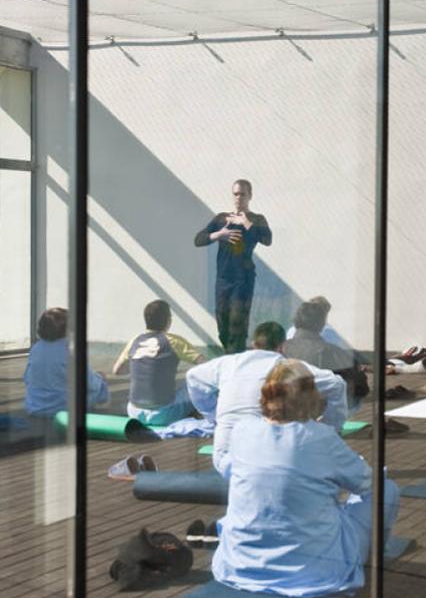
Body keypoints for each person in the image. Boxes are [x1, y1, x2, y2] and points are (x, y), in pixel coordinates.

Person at [212, 359, 399, 597]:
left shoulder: (242, 430)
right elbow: (368, 484)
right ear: (310, 396)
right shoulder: (320, 437)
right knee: (387, 490)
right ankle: (372, 554)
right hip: (315, 571)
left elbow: (230, 471)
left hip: (239, 566)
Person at [186, 321, 347, 476]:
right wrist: (330, 427)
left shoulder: (229, 362)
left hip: (225, 460)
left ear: (254, 343)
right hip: (269, 461)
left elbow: (192, 376)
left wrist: (212, 415)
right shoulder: (285, 368)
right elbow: (336, 384)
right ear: (281, 346)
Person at [195, 179, 273, 354]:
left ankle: (234, 359)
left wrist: (246, 222)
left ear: (250, 196)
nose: (238, 198)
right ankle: (231, 354)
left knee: (237, 324)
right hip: (223, 279)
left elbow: (267, 239)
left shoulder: (256, 219)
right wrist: (219, 234)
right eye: (235, 194)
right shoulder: (222, 218)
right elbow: (198, 239)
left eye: (242, 194)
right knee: (222, 323)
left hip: (243, 279)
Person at [109, 300, 200, 426]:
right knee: (192, 382)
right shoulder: (174, 341)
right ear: (168, 320)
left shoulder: (135, 340)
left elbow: (117, 371)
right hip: (164, 414)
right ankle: (195, 415)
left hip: (134, 412)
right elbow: (207, 366)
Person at [282, 298, 369, 409]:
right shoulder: (332, 351)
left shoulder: (281, 348)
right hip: (319, 409)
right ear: (322, 323)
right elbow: (361, 387)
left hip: (287, 405)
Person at [23, 307, 109, 417]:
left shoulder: (36, 348)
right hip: (64, 407)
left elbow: (27, 378)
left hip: (35, 406)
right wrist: (101, 378)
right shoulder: (70, 350)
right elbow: (90, 383)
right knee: (100, 384)